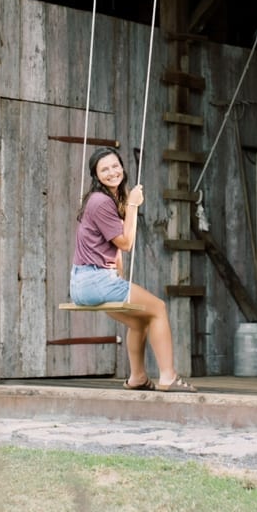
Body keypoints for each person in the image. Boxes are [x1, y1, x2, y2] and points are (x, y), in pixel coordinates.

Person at [69, 147, 196, 393]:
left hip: (87, 281)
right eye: (104, 169)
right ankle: (168, 377)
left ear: (122, 167)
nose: (112, 172)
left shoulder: (108, 199)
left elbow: (113, 248)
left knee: (139, 322)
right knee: (158, 308)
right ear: (96, 175)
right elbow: (126, 244)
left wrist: (118, 274)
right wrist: (133, 206)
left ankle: (138, 377)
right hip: (94, 281)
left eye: (115, 166)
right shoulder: (101, 201)